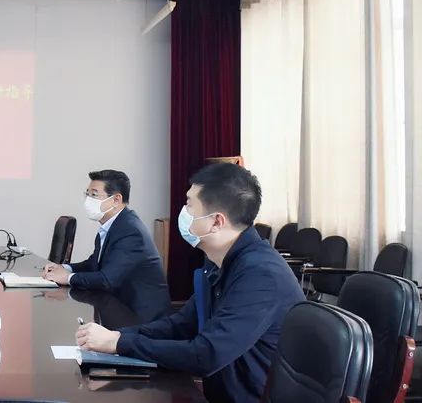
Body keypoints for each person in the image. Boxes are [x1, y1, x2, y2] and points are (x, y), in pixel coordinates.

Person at [75, 163, 305, 402]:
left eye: (189, 205)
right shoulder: (219, 261)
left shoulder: (261, 274)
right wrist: (116, 336)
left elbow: (206, 355)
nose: (183, 212)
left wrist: (120, 343)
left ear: (216, 222)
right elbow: (182, 324)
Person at [42, 170, 171, 322]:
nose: (88, 200)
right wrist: (65, 268)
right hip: (118, 308)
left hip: (142, 319)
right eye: (87, 194)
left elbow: (107, 279)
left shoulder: (130, 231)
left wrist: (68, 278)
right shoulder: (113, 225)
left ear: (116, 200)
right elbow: (93, 263)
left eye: (94, 195)